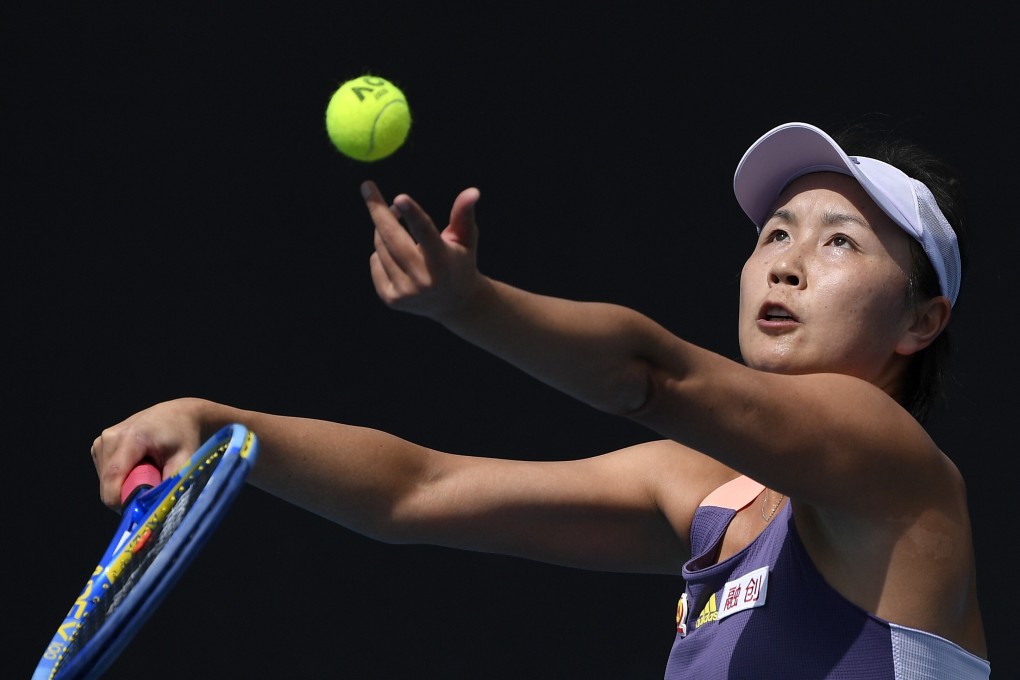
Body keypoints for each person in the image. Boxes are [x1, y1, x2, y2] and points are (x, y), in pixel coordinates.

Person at [91, 121, 990, 678]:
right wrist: (221, 429)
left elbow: (652, 375)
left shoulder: (895, 470)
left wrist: (470, 303)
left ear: (922, 321)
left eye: (841, 243)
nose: (786, 260)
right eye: (775, 233)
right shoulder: (709, 499)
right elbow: (418, 490)